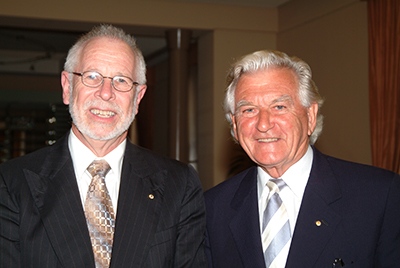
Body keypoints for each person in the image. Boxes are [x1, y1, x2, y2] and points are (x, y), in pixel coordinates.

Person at [0, 24, 207, 268]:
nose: (106, 93)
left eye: (121, 80)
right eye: (92, 77)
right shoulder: (12, 183)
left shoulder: (179, 185)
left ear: (138, 97)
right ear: (67, 87)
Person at [204, 50, 400, 268]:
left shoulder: (379, 196)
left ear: (310, 116)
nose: (263, 124)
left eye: (279, 106)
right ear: (234, 124)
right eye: (248, 110)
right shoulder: (212, 209)